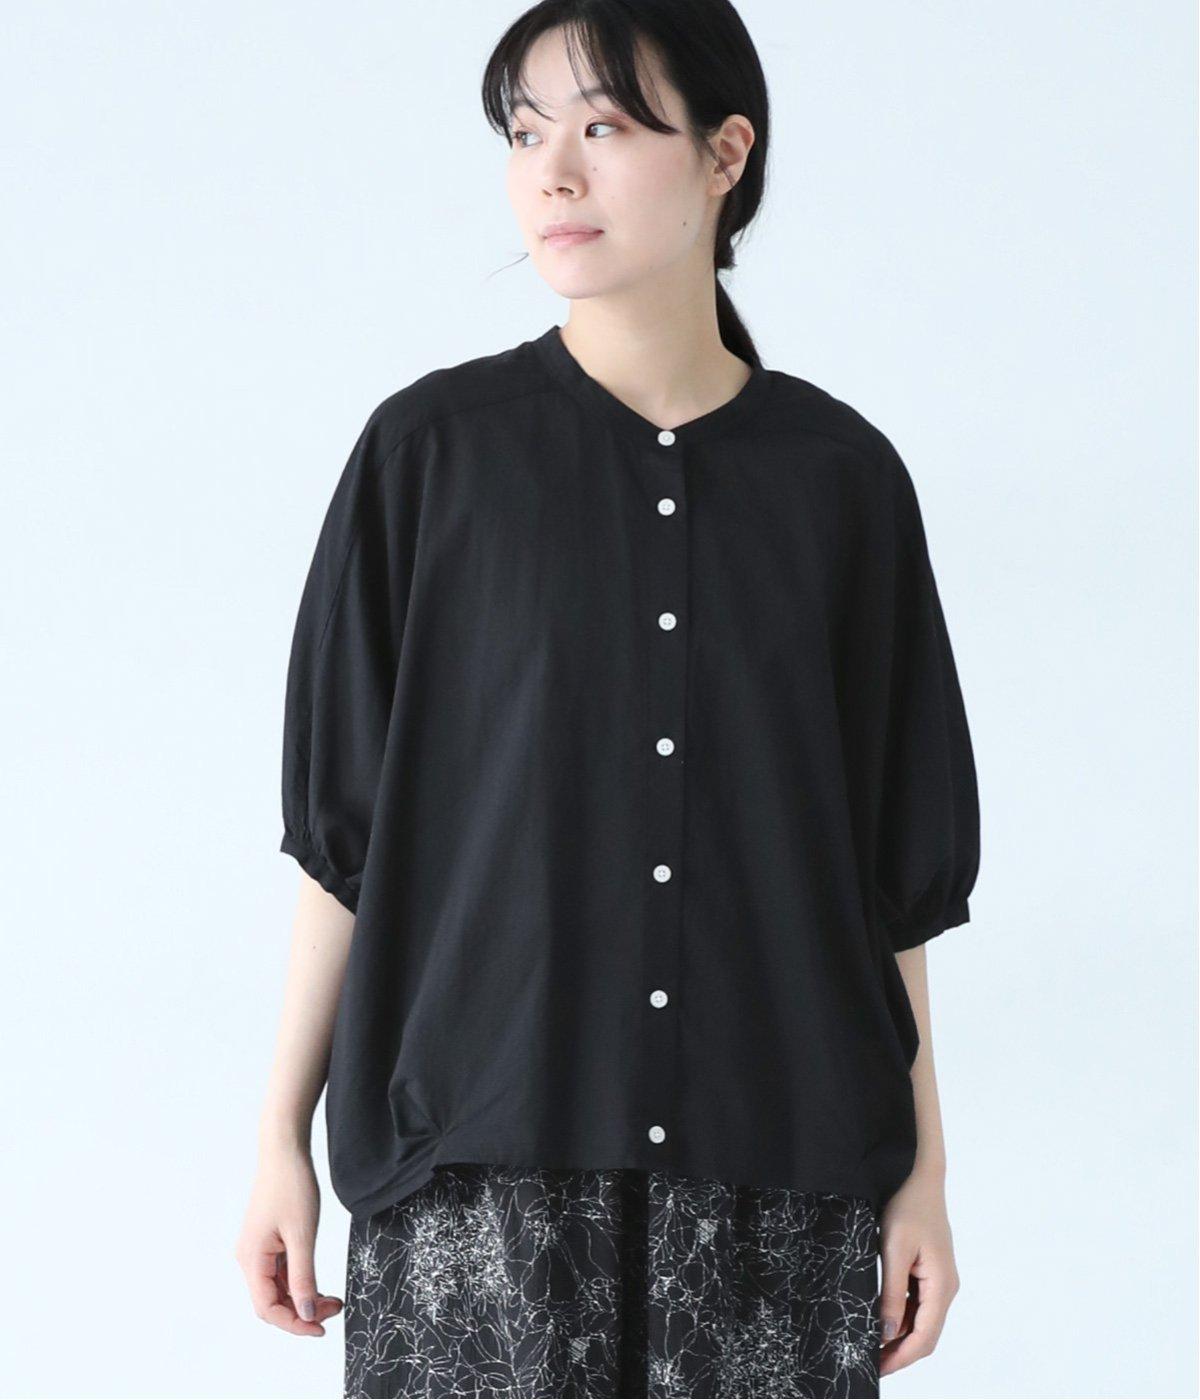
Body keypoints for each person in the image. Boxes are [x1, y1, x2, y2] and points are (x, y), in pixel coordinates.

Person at [235, 3, 981, 1397]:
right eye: (526, 135)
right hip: (478, 1193)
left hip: (775, 1202)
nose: (555, 175)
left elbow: (891, 886)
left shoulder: (843, 485)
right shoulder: (430, 458)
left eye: (604, 126)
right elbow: (347, 840)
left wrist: (924, 1175)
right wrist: (279, 1132)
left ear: (726, 154)